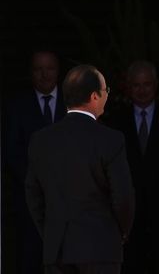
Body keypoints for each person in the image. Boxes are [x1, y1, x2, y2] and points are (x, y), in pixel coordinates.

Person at [25, 65, 135, 274]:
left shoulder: (40, 140)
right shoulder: (110, 139)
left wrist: (50, 232)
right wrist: (120, 232)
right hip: (100, 248)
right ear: (95, 96)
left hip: (56, 249)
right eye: (106, 91)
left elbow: (33, 195)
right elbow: (123, 196)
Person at [103, 60, 159, 274]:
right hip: (128, 214)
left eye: (147, 84)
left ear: (156, 85)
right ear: (128, 86)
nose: (142, 90)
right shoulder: (115, 121)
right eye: (136, 85)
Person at [4, 49, 67, 274]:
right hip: (30, 202)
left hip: (69, 200)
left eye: (49, 68)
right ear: (31, 73)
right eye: (38, 69)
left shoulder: (74, 103)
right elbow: (12, 151)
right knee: (30, 258)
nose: (44, 75)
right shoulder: (17, 106)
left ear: (58, 71)